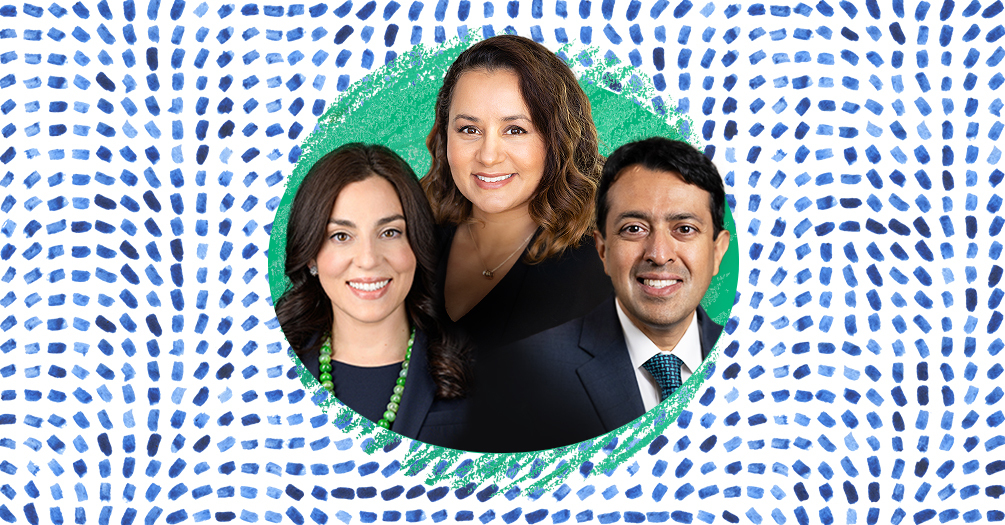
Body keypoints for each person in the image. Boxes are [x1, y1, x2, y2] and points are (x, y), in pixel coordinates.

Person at [466, 137, 732, 452]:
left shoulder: (761, 366)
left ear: (718, 251)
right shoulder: (523, 375)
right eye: (634, 229)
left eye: (684, 229)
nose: (659, 255)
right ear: (603, 249)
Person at [422, 34, 613, 350]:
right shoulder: (412, 238)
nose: (488, 156)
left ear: (556, 140)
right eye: (469, 129)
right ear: (445, 136)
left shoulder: (603, 267)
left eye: (515, 130)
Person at [275, 143, 469, 447]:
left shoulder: (481, 370)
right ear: (311, 255)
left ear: (416, 244)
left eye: (390, 232)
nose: (368, 260)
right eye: (341, 236)